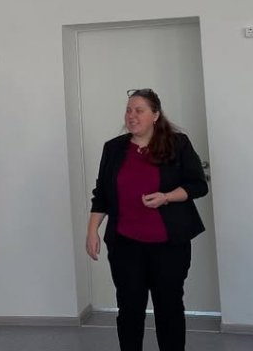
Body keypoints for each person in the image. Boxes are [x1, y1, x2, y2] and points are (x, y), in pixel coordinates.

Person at [86, 88, 209, 351]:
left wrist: (166, 197)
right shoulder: (113, 148)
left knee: (169, 309)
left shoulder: (178, 144)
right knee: (129, 310)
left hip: (168, 246)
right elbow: (102, 194)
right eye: (128, 110)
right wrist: (92, 230)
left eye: (139, 110)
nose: (131, 116)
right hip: (125, 245)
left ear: (155, 115)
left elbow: (198, 185)